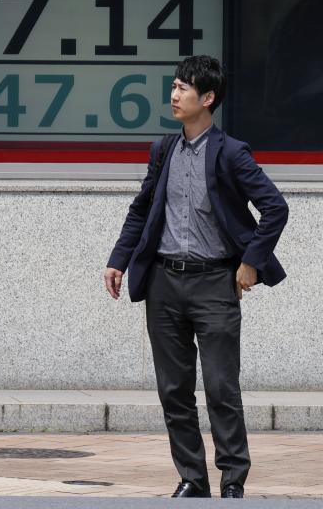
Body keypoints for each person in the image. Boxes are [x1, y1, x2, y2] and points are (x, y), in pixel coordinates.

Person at [104, 55, 289, 500]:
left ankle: (232, 480)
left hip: (214, 284)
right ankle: (192, 478)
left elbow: (275, 208)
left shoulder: (230, 152)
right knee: (174, 389)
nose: (174, 94)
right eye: (173, 86)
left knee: (222, 386)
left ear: (207, 98)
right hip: (164, 282)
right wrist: (119, 259)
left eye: (184, 88)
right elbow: (142, 210)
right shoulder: (162, 150)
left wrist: (250, 262)